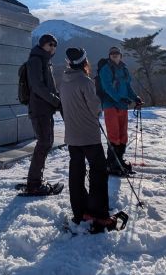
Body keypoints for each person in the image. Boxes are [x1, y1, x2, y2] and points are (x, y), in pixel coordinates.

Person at [60, 47, 114, 232]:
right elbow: (95, 108)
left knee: (76, 173)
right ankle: (100, 214)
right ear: (84, 62)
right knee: (98, 172)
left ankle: (81, 211)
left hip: (72, 136)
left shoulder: (64, 81)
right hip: (89, 135)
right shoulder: (85, 81)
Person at [25, 33, 61, 195]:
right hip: (39, 109)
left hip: (45, 109)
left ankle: (35, 180)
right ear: (42, 45)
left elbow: (49, 87)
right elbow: (38, 87)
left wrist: (58, 99)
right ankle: (34, 183)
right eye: (49, 44)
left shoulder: (45, 61)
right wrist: (56, 101)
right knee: (44, 143)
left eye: (54, 45)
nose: (52, 47)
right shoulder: (35, 60)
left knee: (46, 142)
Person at [98, 46, 142, 176]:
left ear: (120, 55)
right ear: (109, 56)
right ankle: (112, 163)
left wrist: (135, 98)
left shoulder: (124, 69)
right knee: (114, 134)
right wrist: (120, 99)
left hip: (123, 106)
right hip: (110, 105)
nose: (114, 55)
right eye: (112, 54)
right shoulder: (106, 69)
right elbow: (107, 88)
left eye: (117, 53)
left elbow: (127, 87)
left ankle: (119, 160)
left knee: (123, 135)